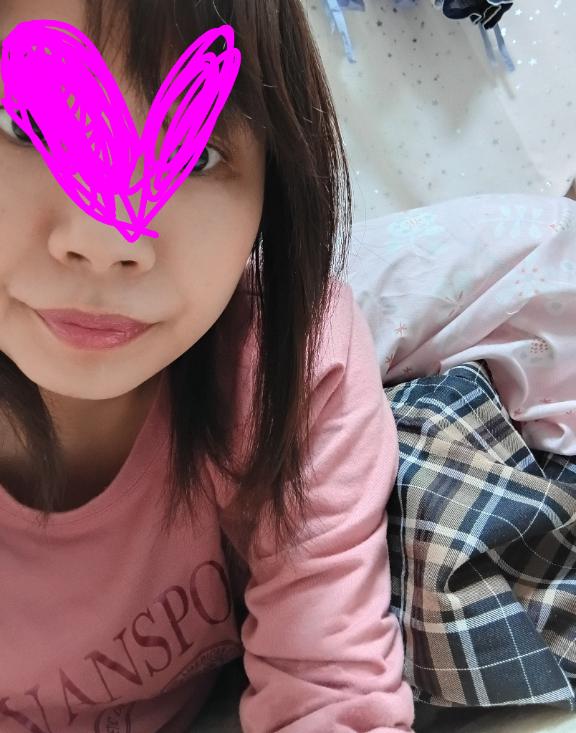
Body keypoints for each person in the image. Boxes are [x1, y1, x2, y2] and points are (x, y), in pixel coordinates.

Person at [0, 1, 415, 731]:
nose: (107, 238)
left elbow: (331, 692)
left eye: (195, 156)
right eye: (23, 128)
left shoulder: (284, 370)